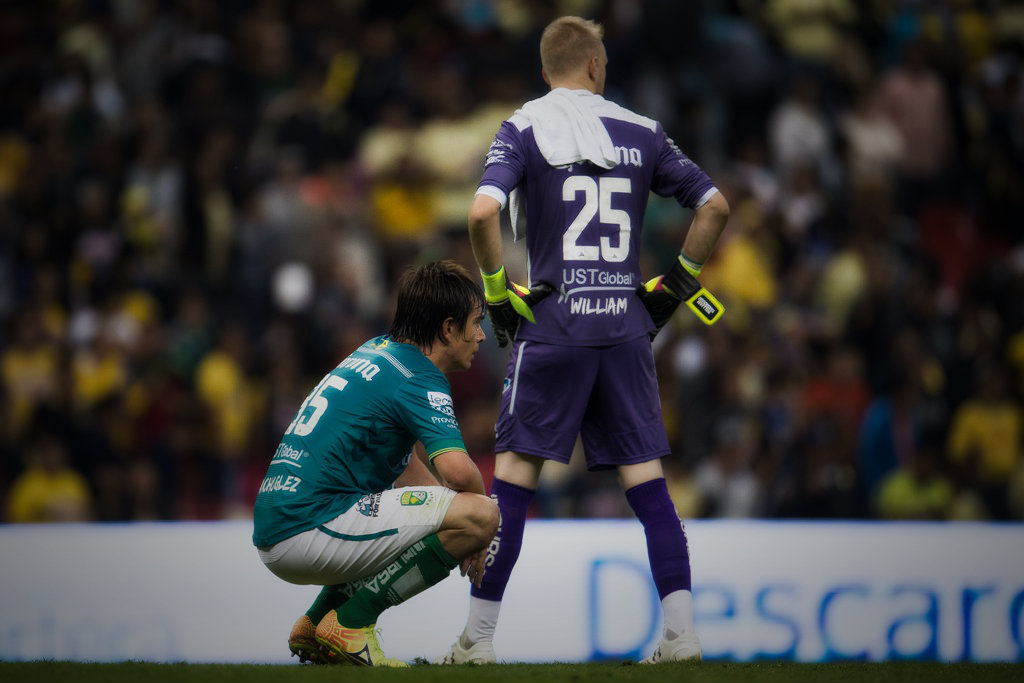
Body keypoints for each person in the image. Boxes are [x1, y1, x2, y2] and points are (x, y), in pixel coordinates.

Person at [436, 16, 730, 665]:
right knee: (649, 485)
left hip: (553, 325)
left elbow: (482, 211)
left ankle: (477, 642)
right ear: (596, 67)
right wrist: (678, 284)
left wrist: (493, 289)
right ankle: (681, 634)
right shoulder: (641, 130)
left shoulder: (524, 126)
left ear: (547, 71)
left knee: (512, 483)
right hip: (626, 329)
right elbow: (714, 206)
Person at [252, 260, 499, 667]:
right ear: (448, 328)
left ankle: (317, 623)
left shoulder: (376, 351)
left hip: (279, 524)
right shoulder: (419, 376)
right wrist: (478, 523)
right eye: (475, 323)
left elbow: (404, 469)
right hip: (309, 525)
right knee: (481, 513)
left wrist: (452, 516)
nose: (480, 336)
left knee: (447, 514)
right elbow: (457, 472)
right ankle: (351, 623)